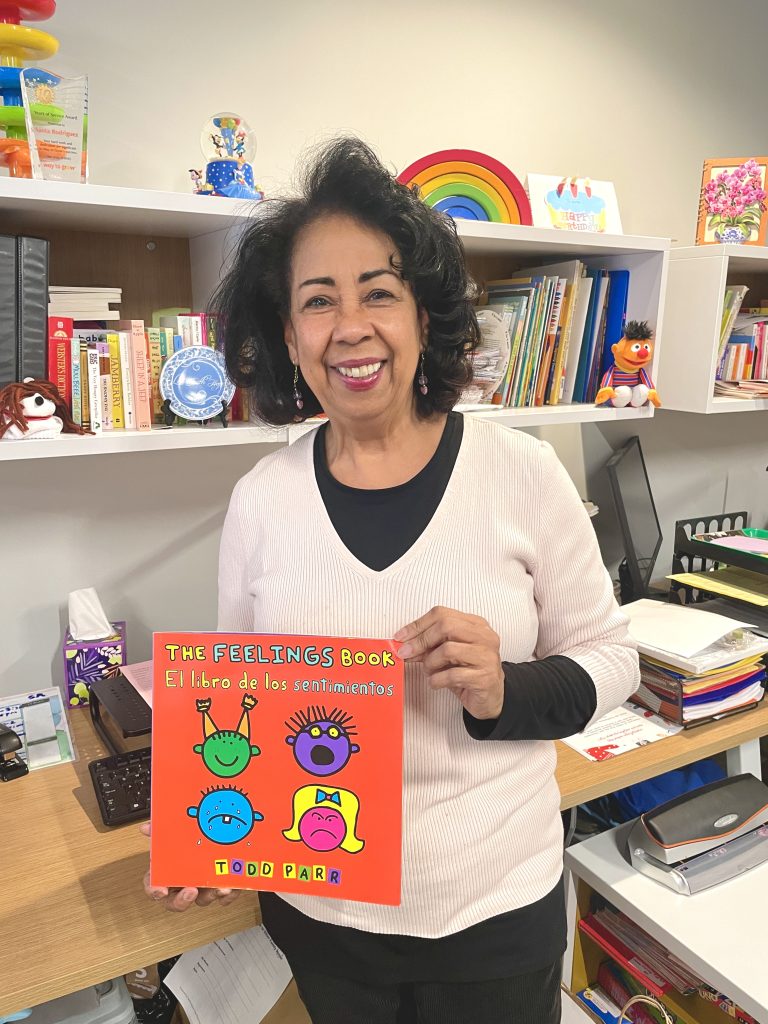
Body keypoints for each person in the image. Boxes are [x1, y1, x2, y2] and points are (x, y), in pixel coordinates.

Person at [142, 137, 640, 1024]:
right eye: (318, 301)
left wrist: (502, 689)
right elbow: (233, 702)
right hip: (324, 918)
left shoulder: (521, 472)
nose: (351, 326)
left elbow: (613, 658)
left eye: (380, 292)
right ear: (288, 336)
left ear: (422, 315)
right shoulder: (262, 501)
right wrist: (205, 833)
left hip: (494, 915)